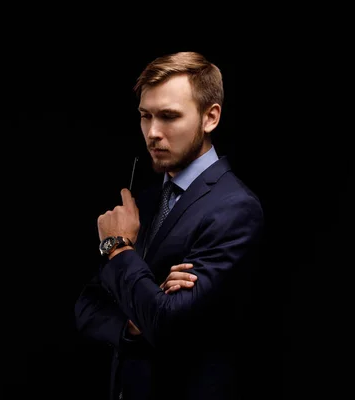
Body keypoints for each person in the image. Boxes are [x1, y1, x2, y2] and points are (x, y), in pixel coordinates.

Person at [74, 51, 265, 400]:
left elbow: (167, 326)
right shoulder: (144, 201)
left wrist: (117, 246)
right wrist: (133, 325)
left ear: (210, 117)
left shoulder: (235, 208)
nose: (152, 133)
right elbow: (86, 306)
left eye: (169, 116)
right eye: (145, 116)